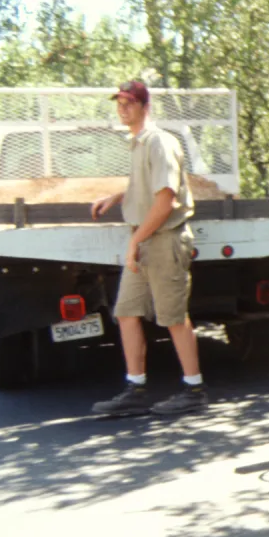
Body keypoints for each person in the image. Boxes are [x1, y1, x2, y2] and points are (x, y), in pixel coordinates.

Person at [89, 80, 207, 417]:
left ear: (145, 106)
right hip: (144, 241)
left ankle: (194, 389)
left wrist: (136, 241)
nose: (122, 107)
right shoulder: (138, 143)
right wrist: (117, 197)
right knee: (126, 312)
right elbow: (146, 188)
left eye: (129, 102)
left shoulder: (159, 142)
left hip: (163, 240)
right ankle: (136, 389)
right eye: (119, 102)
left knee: (172, 318)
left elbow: (165, 201)